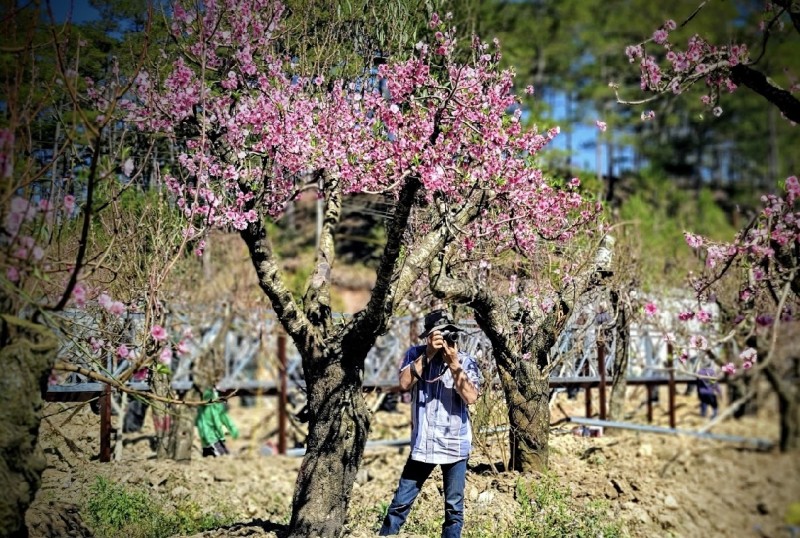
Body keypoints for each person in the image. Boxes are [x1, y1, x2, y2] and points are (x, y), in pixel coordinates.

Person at [379, 309, 482, 538]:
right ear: (429, 336)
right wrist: (428, 354)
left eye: (449, 333)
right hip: (424, 443)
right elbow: (404, 384)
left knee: (454, 509)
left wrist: (454, 365)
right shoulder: (415, 355)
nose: (445, 339)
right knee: (400, 503)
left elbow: (471, 397)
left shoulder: (466, 361)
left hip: (455, 445)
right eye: (440, 334)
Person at [196, 388, 239, 457]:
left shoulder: (215, 398)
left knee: (224, 454)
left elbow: (223, 415)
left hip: (217, 436)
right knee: (221, 456)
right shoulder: (207, 396)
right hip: (210, 438)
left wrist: (232, 428)